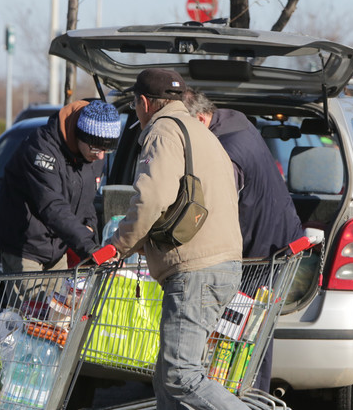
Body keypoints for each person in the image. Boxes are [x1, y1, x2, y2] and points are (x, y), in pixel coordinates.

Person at [108, 68, 248, 410]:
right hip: (219, 263)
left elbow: (152, 198)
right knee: (166, 376)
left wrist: (118, 245)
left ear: (143, 103)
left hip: (196, 270)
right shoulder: (199, 132)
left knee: (180, 375)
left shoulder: (164, 131)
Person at [182, 89, 304, 394]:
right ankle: (245, 395)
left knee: (244, 335)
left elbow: (215, 210)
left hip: (260, 253)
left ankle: (244, 397)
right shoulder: (236, 121)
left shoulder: (224, 150)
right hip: (278, 241)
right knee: (253, 332)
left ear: (199, 118)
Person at [0, 100, 121, 279]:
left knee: (59, 307)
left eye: (107, 150)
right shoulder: (41, 149)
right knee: (30, 306)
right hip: (25, 246)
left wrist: (89, 228)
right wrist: (90, 248)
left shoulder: (92, 156)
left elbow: (86, 199)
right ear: (80, 135)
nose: (101, 156)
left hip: (59, 247)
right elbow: (52, 205)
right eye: (96, 148)